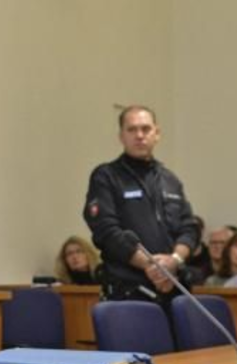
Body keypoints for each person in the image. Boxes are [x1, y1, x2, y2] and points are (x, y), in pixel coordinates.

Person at [83, 105, 200, 303]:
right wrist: (151, 265)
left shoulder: (170, 179)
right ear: (121, 136)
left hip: (173, 288)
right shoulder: (106, 176)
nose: (139, 135)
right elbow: (106, 231)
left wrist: (174, 260)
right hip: (128, 292)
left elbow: (190, 228)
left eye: (145, 129)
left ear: (157, 134)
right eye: (132, 129)